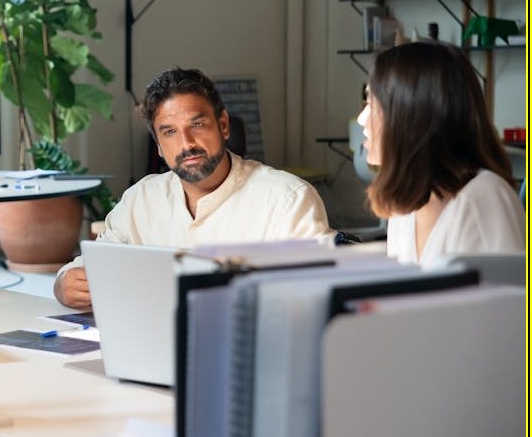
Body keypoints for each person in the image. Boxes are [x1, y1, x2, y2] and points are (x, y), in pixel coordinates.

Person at [54, 67, 334, 308]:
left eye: (197, 124)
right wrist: (65, 284)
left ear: (223, 125)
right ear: (159, 147)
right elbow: (94, 265)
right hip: (151, 346)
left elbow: (321, 291)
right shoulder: (141, 199)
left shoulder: (287, 199)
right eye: (170, 132)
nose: (186, 143)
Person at [359, 41, 524, 266]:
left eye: (372, 103)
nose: (362, 119)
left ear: (411, 114)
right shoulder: (405, 206)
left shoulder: (483, 197)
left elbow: (507, 299)